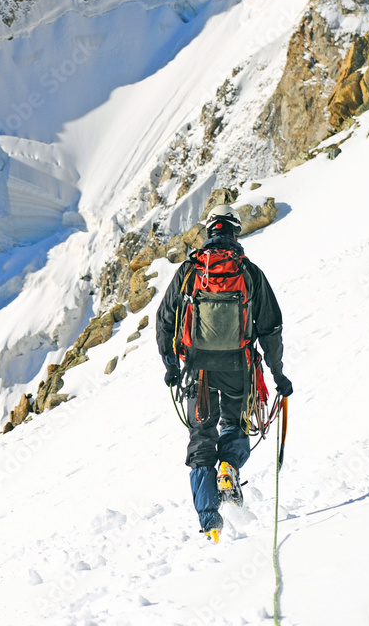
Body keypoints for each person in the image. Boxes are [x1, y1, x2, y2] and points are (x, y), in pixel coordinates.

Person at [155, 205, 293, 542]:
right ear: (234, 232)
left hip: (197, 370)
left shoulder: (190, 271)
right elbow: (270, 328)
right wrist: (278, 375)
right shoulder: (249, 272)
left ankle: (210, 522)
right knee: (234, 424)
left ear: (209, 232)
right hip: (238, 366)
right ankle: (229, 467)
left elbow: (164, 319)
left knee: (201, 439)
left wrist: (171, 365)